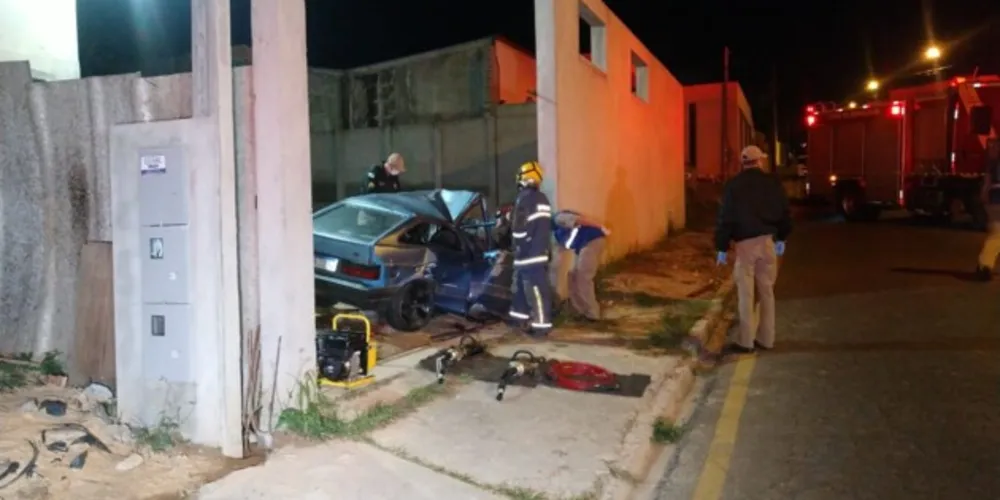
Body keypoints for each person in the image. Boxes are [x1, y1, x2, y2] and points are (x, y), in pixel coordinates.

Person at [715, 145, 792, 354]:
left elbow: (726, 218)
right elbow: (784, 211)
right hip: (767, 242)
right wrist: (782, 237)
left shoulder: (733, 186)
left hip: (745, 245)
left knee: (745, 293)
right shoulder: (772, 183)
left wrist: (721, 246)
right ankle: (767, 339)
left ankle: (746, 341)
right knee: (767, 291)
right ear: (760, 161)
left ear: (743, 163)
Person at [508, 161, 554, 337]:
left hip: (528, 254)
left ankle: (541, 326)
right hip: (536, 252)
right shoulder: (541, 198)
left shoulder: (525, 198)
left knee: (535, 290)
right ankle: (519, 318)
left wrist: (516, 244)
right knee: (520, 288)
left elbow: (520, 228)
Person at [552, 210, 609, 322]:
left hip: (592, 241)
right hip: (583, 246)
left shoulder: (559, 218)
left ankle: (592, 314)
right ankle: (580, 310)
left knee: (583, 277)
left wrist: (601, 227)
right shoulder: (556, 233)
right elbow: (558, 256)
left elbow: (582, 220)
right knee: (572, 276)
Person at [975, 138, 1000, 282]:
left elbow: (987, 182)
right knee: (998, 235)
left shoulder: (993, 162)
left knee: (997, 234)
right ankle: (984, 266)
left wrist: (984, 196)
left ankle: (984, 265)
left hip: (995, 198)